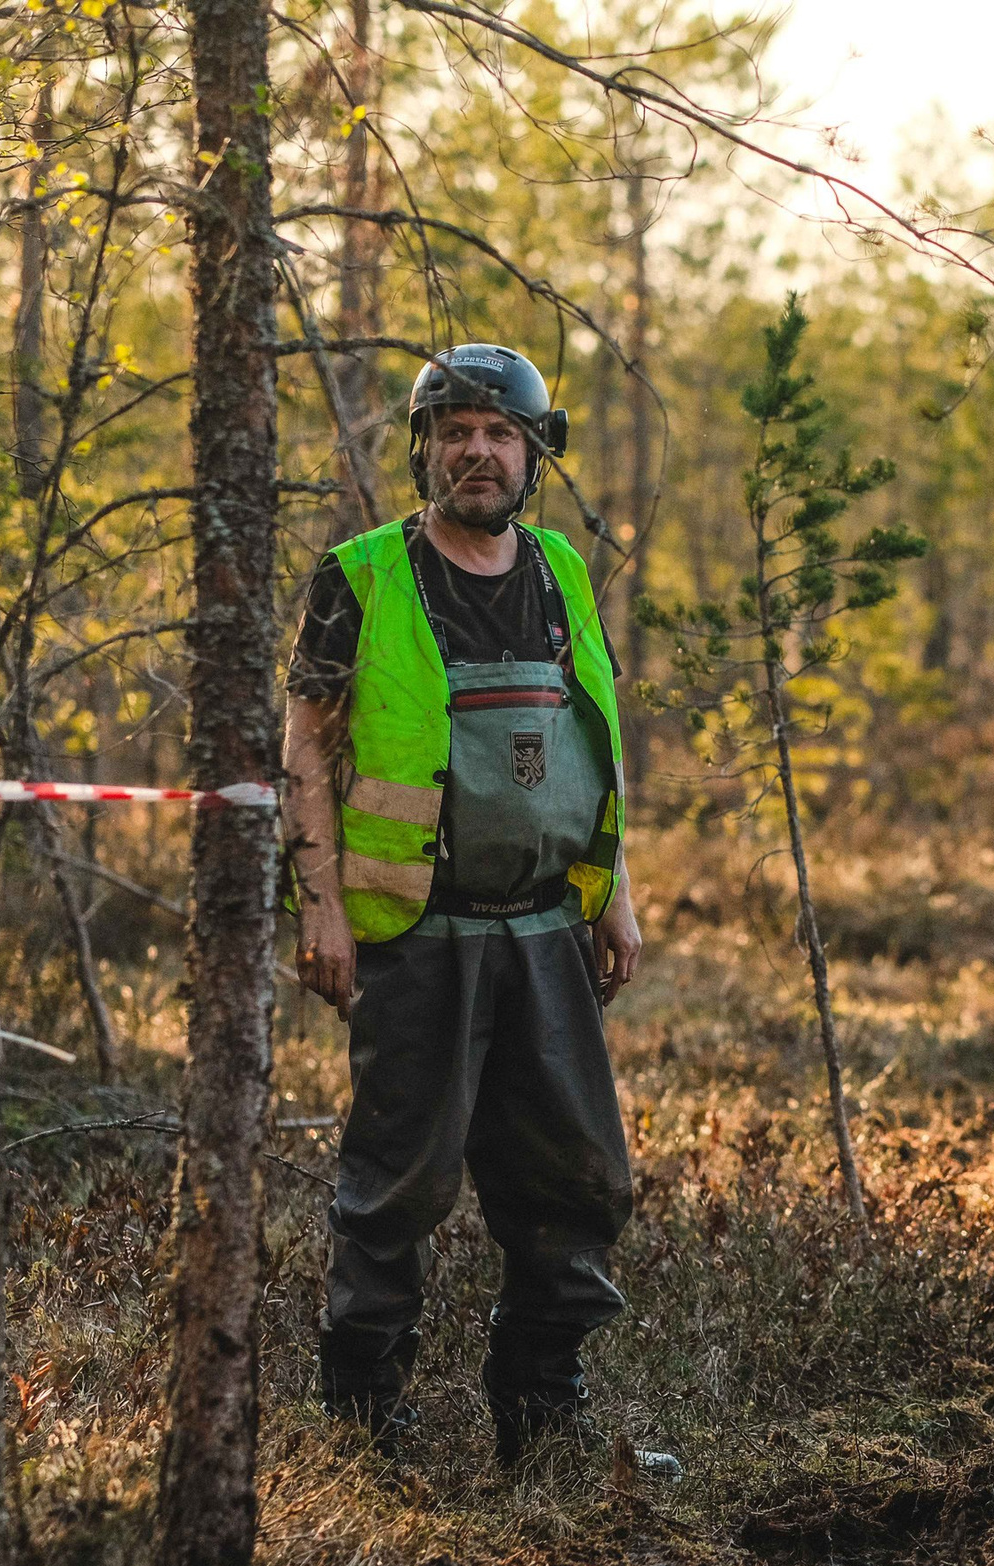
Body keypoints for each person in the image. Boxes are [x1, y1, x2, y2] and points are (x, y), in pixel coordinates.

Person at [282, 344, 676, 1476]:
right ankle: (366, 1431)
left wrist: (617, 894)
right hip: (418, 934)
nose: (477, 449)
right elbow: (305, 745)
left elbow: (586, 740)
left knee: (580, 1177)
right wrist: (322, 908)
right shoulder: (357, 575)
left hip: (550, 926)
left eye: (501, 432)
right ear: (423, 447)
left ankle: (544, 1414)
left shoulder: (557, 567)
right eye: (454, 427)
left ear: (534, 452)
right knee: (397, 1189)